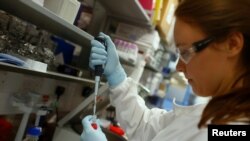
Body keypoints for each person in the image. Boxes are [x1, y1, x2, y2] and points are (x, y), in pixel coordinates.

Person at [81, 0, 250, 140]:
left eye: (185, 52)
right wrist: (118, 78)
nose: (179, 67)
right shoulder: (214, 116)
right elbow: (147, 127)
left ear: (232, 44)